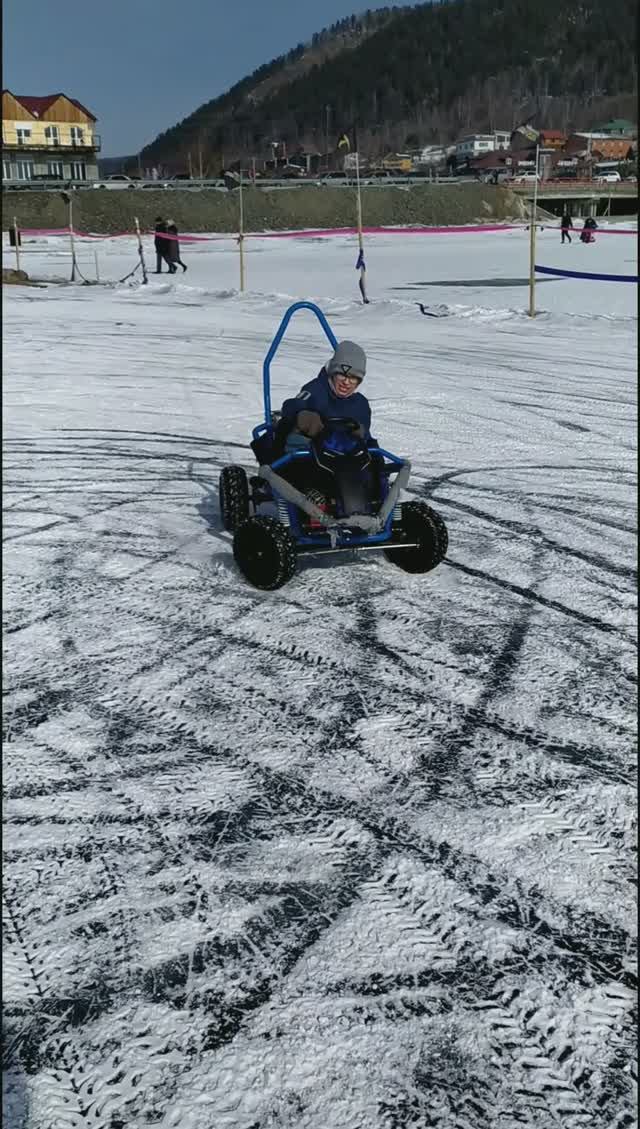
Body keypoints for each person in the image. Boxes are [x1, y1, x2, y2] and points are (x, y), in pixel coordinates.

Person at [280, 341, 371, 450]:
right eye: (342, 375)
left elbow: (367, 437)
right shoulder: (316, 389)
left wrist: (361, 432)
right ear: (333, 373)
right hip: (313, 452)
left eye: (353, 377)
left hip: (345, 453)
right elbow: (292, 405)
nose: (346, 382)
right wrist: (301, 413)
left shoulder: (361, 404)